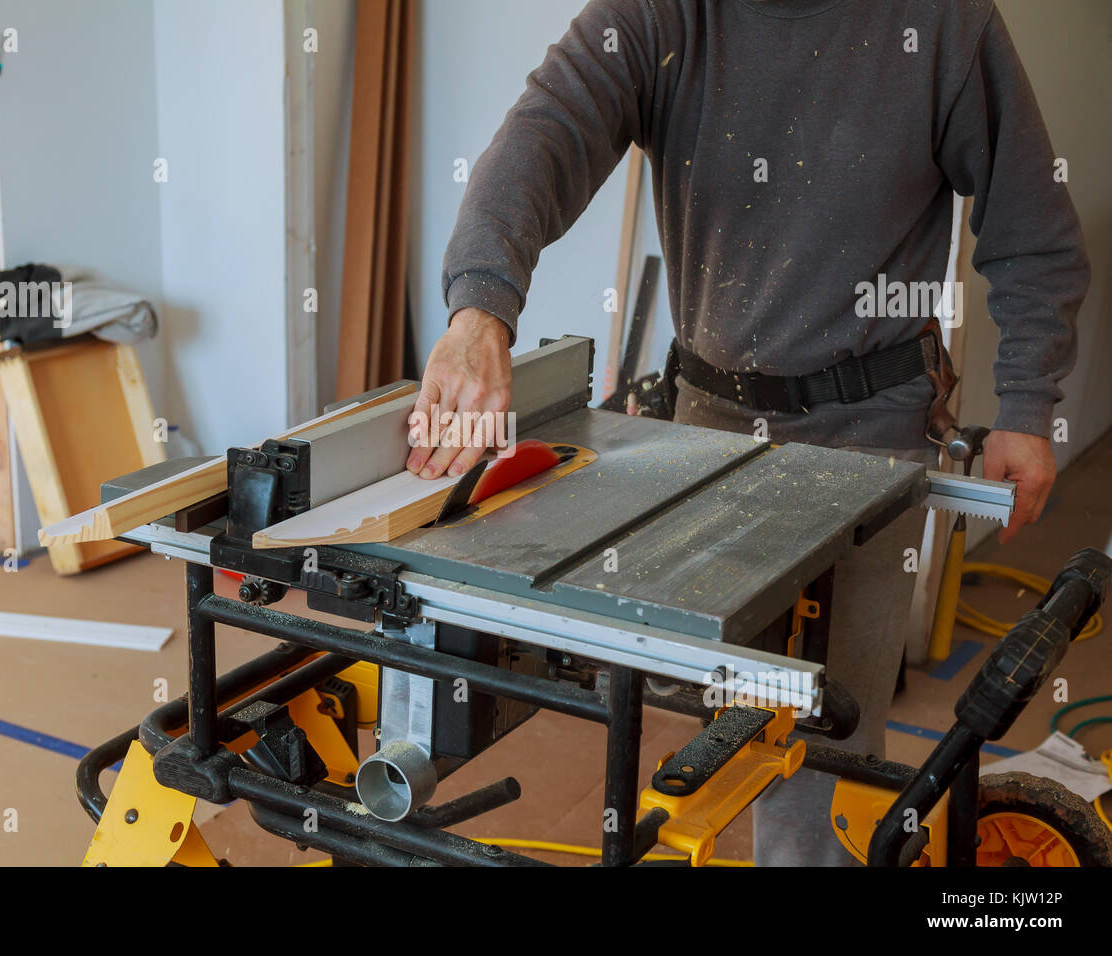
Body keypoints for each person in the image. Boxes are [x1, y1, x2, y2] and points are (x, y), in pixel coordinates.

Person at [404, 0, 1087, 865]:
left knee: (818, 765)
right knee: (718, 727)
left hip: (868, 441)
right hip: (711, 431)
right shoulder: (658, 12)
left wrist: (1028, 406)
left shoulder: (943, 22)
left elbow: (1035, 235)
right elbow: (545, 131)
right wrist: (480, 309)